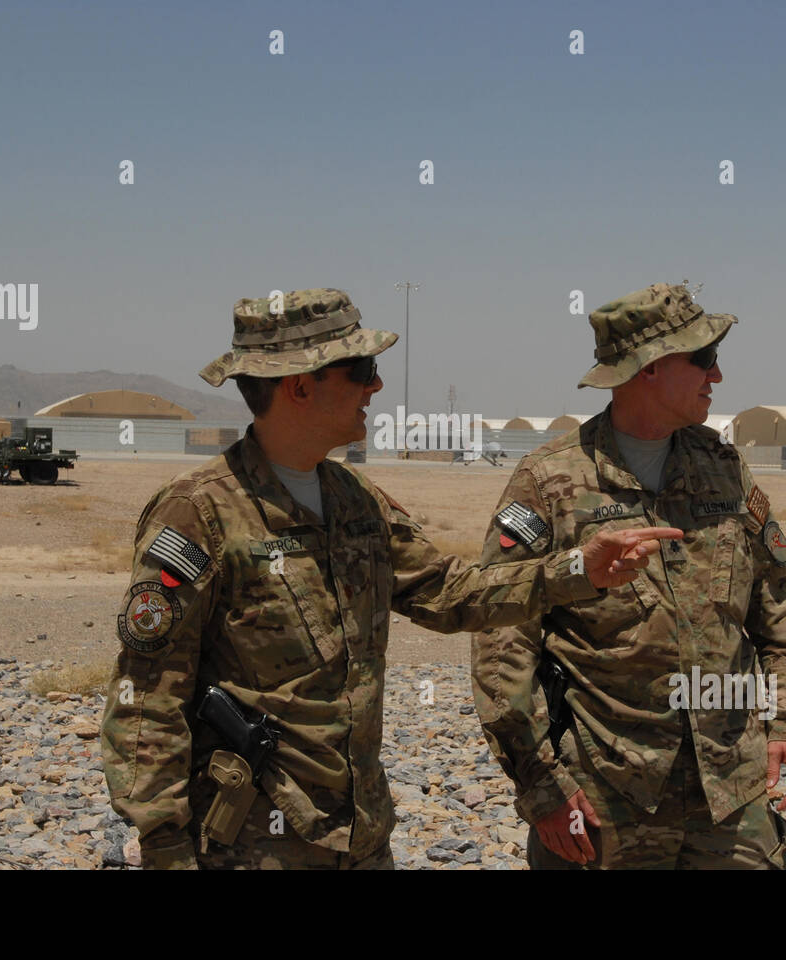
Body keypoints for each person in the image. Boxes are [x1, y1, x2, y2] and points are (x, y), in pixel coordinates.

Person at [99, 287, 678, 870]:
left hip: (360, 835)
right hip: (247, 844)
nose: (377, 387)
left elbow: (450, 594)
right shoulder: (198, 513)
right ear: (299, 385)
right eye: (362, 370)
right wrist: (165, 846)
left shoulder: (356, 502)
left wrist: (579, 569)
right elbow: (148, 696)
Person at [470, 282, 786, 869]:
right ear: (651, 368)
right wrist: (539, 784)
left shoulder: (723, 468)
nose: (716, 376)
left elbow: (776, 611)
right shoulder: (552, 481)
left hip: (731, 787)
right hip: (605, 791)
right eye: (704, 359)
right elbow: (502, 643)